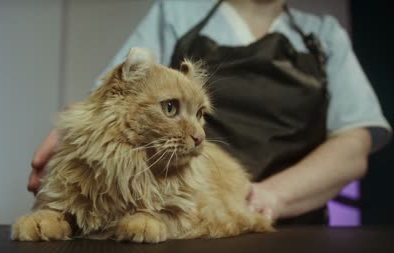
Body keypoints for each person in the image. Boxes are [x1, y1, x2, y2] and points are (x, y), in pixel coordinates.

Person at [28, 0, 391, 224]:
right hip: (182, 215)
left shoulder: (325, 35)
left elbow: (354, 142)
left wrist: (269, 197)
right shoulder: (176, 12)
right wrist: (75, 141)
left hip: (296, 228)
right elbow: (115, 92)